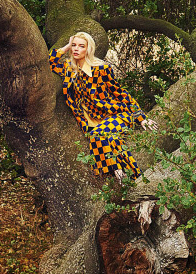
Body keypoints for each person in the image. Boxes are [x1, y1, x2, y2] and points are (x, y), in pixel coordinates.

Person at [49, 32, 158, 182]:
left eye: (81, 46)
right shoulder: (69, 69)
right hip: (91, 119)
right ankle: (135, 178)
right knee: (112, 140)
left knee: (98, 135)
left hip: (116, 114)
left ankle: (117, 171)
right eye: (74, 46)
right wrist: (66, 46)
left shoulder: (102, 68)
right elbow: (50, 62)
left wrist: (141, 118)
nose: (76, 49)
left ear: (88, 49)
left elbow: (120, 93)